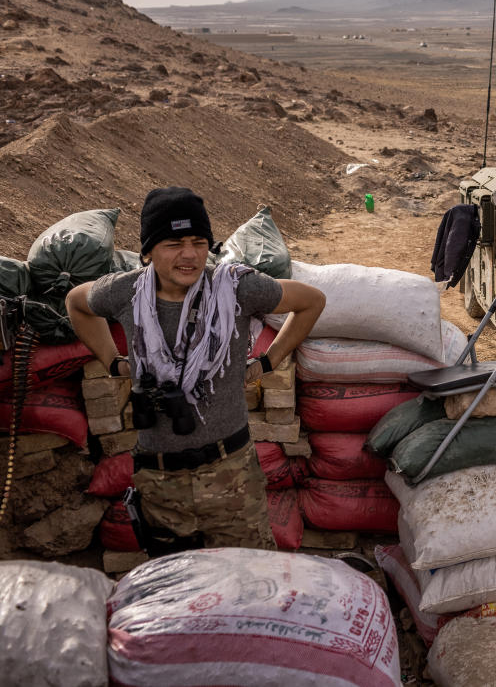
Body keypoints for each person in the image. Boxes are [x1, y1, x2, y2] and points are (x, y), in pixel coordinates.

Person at [66, 187, 325, 553]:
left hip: (232, 476)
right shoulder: (124, 293)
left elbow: (312, 301)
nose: (189, 254)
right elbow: (76, 303)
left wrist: (268, 362)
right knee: (176, 592)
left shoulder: (236, 288)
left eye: (198, 241)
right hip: (159, 483)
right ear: (147, 251)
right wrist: (113, 362)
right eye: (173, 243)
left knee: (247, 586)